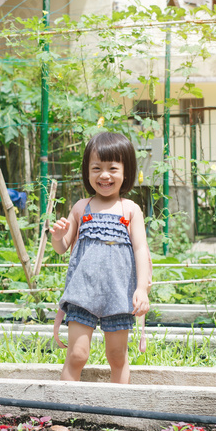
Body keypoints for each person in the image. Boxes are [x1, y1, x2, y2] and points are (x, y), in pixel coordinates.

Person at [50, 132, 151, 384]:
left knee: (117, 356)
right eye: (96, 168)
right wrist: (58, 236)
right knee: (76, 355)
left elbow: (141, 250)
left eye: (112, 168)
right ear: (87, 172)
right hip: (82, 294)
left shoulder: (130, 210)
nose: (104, 175)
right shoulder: (80, 208)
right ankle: (63, 412)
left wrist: (141, 288)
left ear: (126, 172)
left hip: (119, 295)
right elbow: (62, 248)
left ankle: (117, 412)